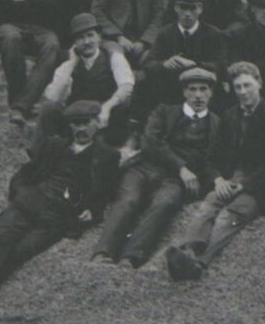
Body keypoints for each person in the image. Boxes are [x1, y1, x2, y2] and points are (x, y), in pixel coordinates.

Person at [0, 98, 120, 319]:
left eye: (86, 122)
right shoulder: (54, 146)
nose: (80, 129)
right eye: (75, 123)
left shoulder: (107, 155)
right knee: (0, 241)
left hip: (57, 216)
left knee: (19, 252)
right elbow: (24, 174)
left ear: (98, 123)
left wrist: (93, 210)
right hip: (29, 204)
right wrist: (21, 194)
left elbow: (107, 191)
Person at [165, 61, 265, 282]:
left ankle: (201, 262)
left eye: (247, 85)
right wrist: (219, 180)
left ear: (259, 84)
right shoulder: (230, 116)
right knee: (209, 205)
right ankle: (188, 251)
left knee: (229, 215)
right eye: (238, 88)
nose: (243, 92)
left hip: (262, 187)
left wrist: (243, 185)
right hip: (233, 179)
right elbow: (213, 157)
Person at [93, 66, 228, 269]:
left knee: (165, 203)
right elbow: (150, 142)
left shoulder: (217, 125)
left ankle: (131, 256)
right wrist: (181, 167)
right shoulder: (165, 111)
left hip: (174, 181)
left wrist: (211, 179)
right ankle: (103, 252)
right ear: (184, 92)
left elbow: (212, 160)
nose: (198, 95)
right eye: (192, 89)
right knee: (129, 200)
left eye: (203, 89)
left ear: (210, 92)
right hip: (143, 170)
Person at [37, 13, 136, 145]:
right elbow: (54, 97)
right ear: (75, 43)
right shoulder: (68, 64)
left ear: (98, 37)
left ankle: (113, 152)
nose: (87, 41)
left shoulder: (113, 57)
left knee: (122, 108)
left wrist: (107, 107)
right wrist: (72, 63)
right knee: (48, 108)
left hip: (103, 115)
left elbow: (126, 86)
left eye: (90, 35)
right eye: (81, 38)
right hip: (76, 117)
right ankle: (41, 157)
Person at [135, 0, 231, 118]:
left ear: (200, 9)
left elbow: (220, 65)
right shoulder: (165, 33)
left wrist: (193, 64)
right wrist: (164, 64)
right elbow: (149, 63)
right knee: (143, 83)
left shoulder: (213, 34)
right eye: (183, 8)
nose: (187, 14)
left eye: (192, 9)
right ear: (175, 8)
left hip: (202, 89)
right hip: (171, 88)